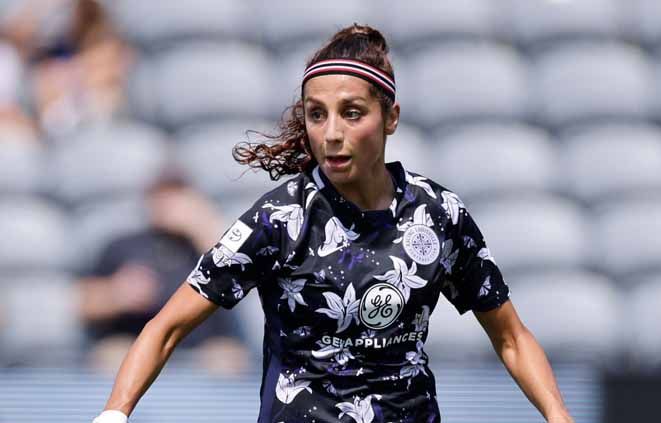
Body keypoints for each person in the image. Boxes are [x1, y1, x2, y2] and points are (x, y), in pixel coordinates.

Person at [93, 24, 575, 423]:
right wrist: (114, 414)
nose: (332, 134)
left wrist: (558, 416)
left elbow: (511, 337)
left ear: (391, 118)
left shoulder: (439, 215)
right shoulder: (279, 220)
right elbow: (167, 327)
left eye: (352, 113)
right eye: (317, 116)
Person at [78, 171, 249, 375]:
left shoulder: (206, 244)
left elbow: (243, 277)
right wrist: (117, 295)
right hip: (136, 343)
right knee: (112, 353)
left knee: (227, 358)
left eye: (178, 197)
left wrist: (202, 228)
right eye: (163, 197)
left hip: (202, 348)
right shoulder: (123, 245)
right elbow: (84, 303)